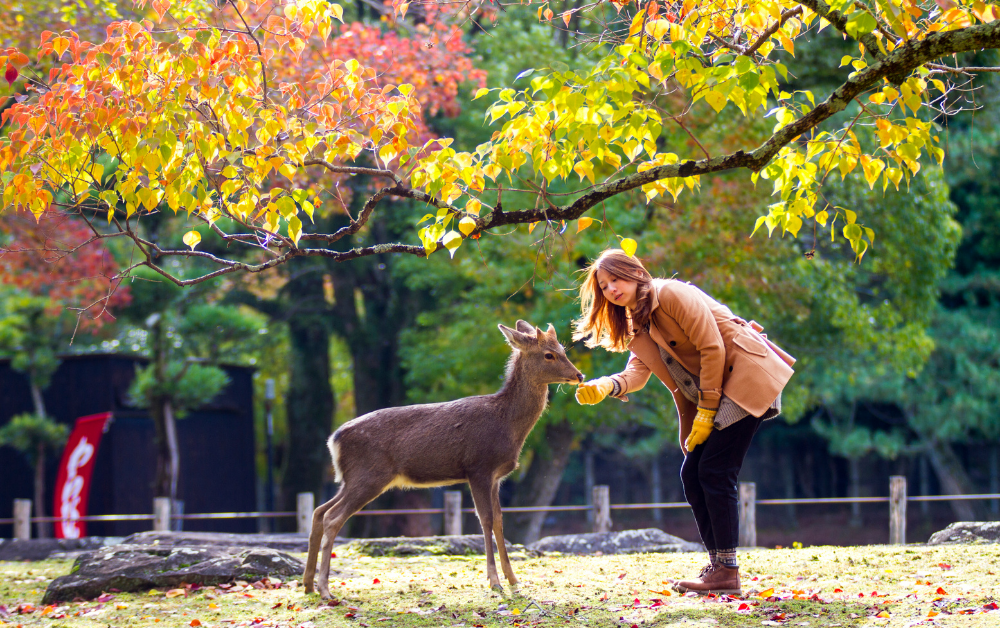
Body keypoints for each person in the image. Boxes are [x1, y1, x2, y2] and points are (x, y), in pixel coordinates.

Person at [572, 248, 796, 595]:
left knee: (715, 472)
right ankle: (719, 567)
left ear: (634, 272)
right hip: (718, 389)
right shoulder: (637, 321)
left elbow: (713, 348)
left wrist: (706, 412)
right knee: (692, 474)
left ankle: (726, 571)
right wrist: (608, 385)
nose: (611, 289)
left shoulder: (670, 294)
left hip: (745, 375)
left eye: (615, 278)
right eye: (603, 286)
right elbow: (638, 371)